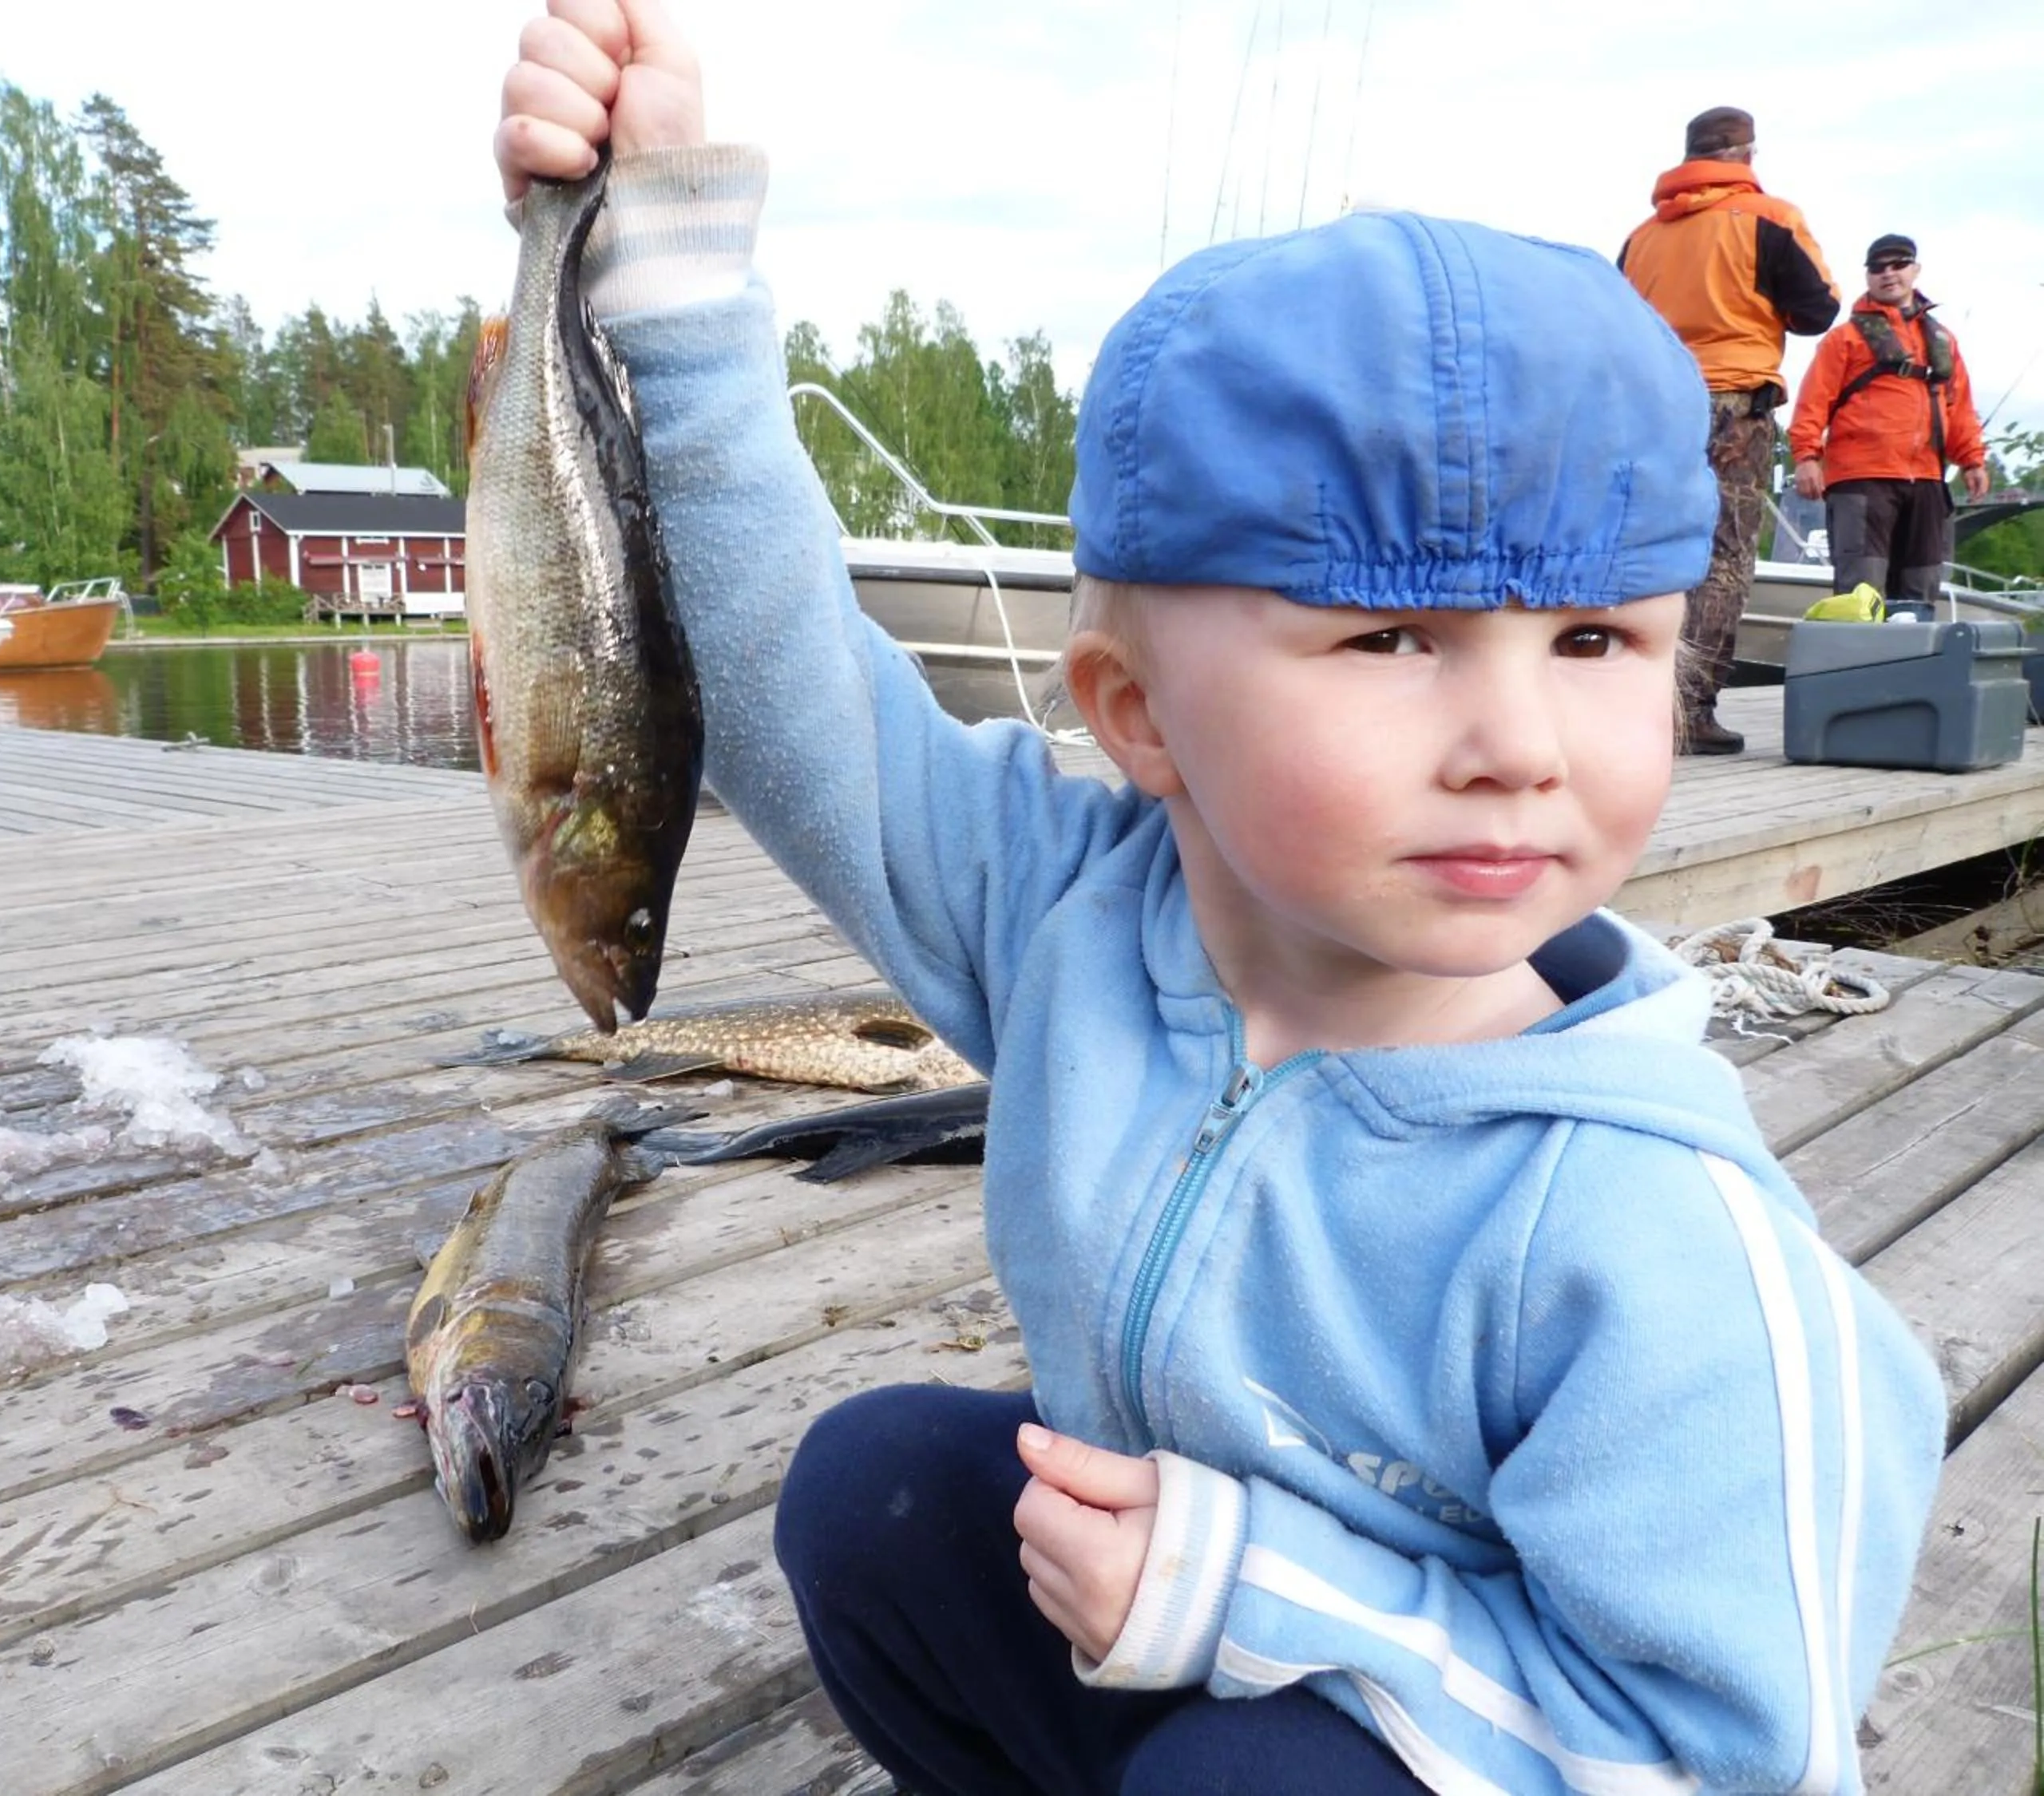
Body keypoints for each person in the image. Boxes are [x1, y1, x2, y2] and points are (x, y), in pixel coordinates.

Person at [493, 7, 1947, 1791]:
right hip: (1189, 1622)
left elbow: (1722, 1756)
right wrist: (661, 263)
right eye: (1390, 638)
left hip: (1488, 1741)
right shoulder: (1074, 921)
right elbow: (797, 700)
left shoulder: (1654, 1243)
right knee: (879, 1498)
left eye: (1594, 641)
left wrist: (1249, 1595)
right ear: (1138, 718)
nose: (1518, 746)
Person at [1620, 105, 1839, 756]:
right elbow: (1818, 309)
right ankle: (1690, 711)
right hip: (1735, 407)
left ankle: (1630, 702)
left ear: (1689, 156)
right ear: (1747, 154)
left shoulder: (1642, 238)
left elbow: (1617, 319)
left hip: (1655, 405)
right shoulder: (1770, 218)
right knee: (1724, 559)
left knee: (1650, 551)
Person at [1789, 234, 1991, 613]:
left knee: (1921, 590)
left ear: (1916, 270)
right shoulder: (1843, 339)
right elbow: (1812, 402)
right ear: (1867, 276)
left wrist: (1972, 460)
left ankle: (1912, 649)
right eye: (1877, 268)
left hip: (1927, 481)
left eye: (1898, 265)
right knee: (1861, 593)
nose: (1888, 274)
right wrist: (1806, 457)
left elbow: (1960, 406)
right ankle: (1857, 652)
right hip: (1861, 480)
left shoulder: (1943, 340)